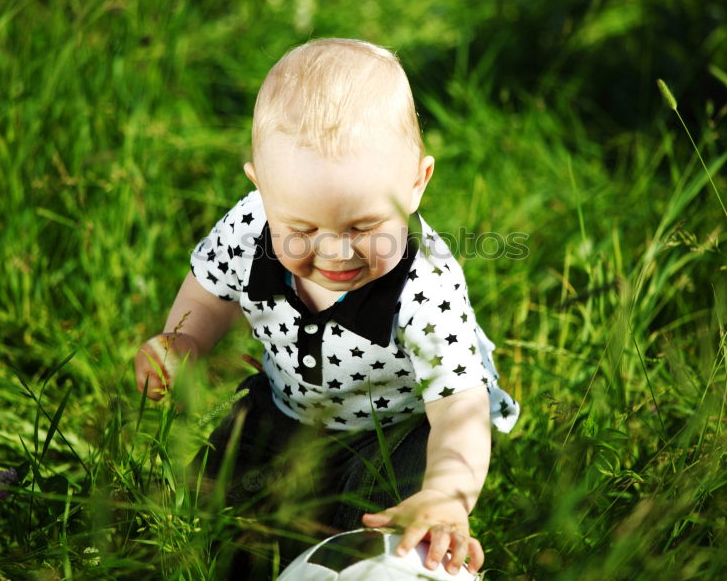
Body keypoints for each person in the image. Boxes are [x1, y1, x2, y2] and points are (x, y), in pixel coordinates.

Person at [133, 38, 519, 576]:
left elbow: (460, 406)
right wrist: (187, 340)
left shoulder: (426, 287)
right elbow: (208, 290)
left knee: (390, 524)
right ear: (261, 189)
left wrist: (448, 495)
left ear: (416, 184)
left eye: (363, 227)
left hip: (394, 429)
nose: (335, 253)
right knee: (210, 510)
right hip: (283, 407)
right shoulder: (251, 227)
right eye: (302, 230)